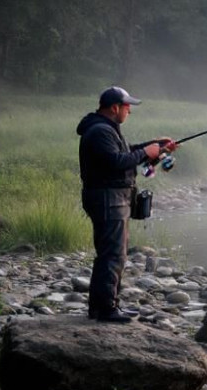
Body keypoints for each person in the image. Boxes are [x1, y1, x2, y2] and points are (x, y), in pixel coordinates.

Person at [75, 86, 175, 323]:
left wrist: (155, 146)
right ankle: (105, 309)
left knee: (113, 253)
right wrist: (145, 153)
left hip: (113, 199)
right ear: (115, 108)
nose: (129, 110)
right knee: (112, 255)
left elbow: (125, 152)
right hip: (107, 199)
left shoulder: (107, 129)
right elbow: (116, 161)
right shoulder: (100, 131)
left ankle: (106, 306)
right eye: (127, 106)